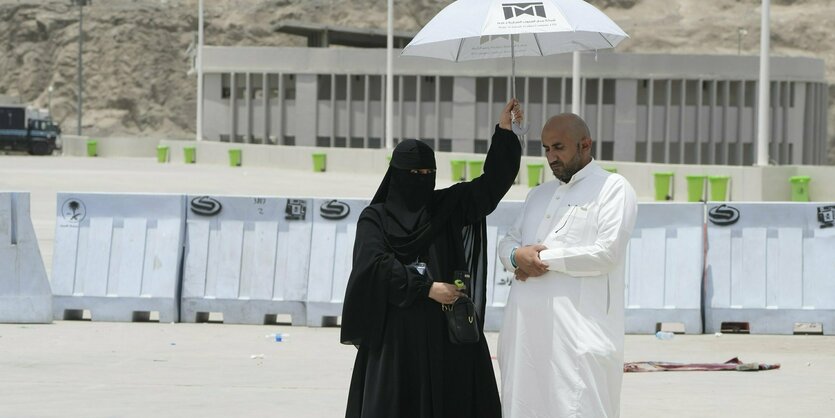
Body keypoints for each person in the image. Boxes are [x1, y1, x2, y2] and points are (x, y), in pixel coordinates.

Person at [340, 99, 523, 418]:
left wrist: (505, 133)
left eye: (428, 172)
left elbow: (491, 186)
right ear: (397, 175)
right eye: (414, 173)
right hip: (396, 341)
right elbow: (374, 266)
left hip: (446, 335)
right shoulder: (376, 218)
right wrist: (426, 287)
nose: (422, 178)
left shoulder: (446, 207)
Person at [497, 113, 638, 418]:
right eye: (546, 149)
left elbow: (606, 253)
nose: (551, 157)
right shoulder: (539, 195)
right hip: (525, 340)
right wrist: (514, 257)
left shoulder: (613, 188)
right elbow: (508, 242)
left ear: (585, 144)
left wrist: (538, 259)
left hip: (578, 341)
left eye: (558, 147)